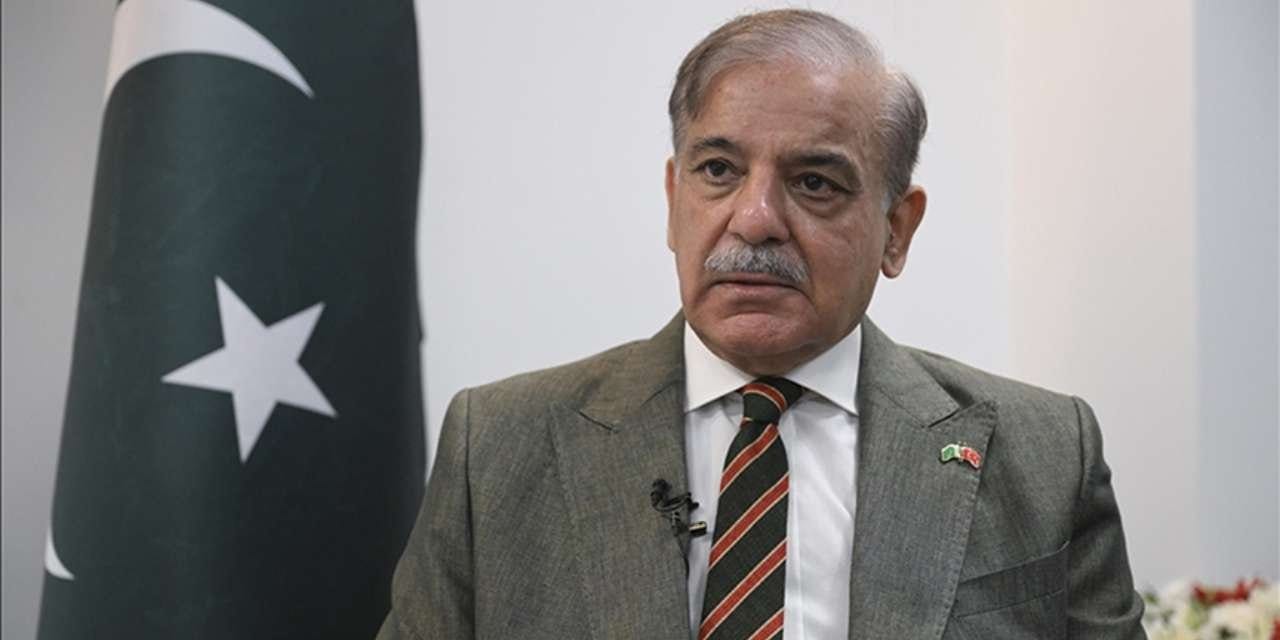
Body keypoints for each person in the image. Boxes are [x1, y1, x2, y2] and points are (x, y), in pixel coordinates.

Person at [378, 9, 1144, 640]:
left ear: (896, 230)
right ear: (674, 199)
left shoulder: (1043, 456)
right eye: (718, 171)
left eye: (814, 182)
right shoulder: (500, 446)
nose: (754, 219)